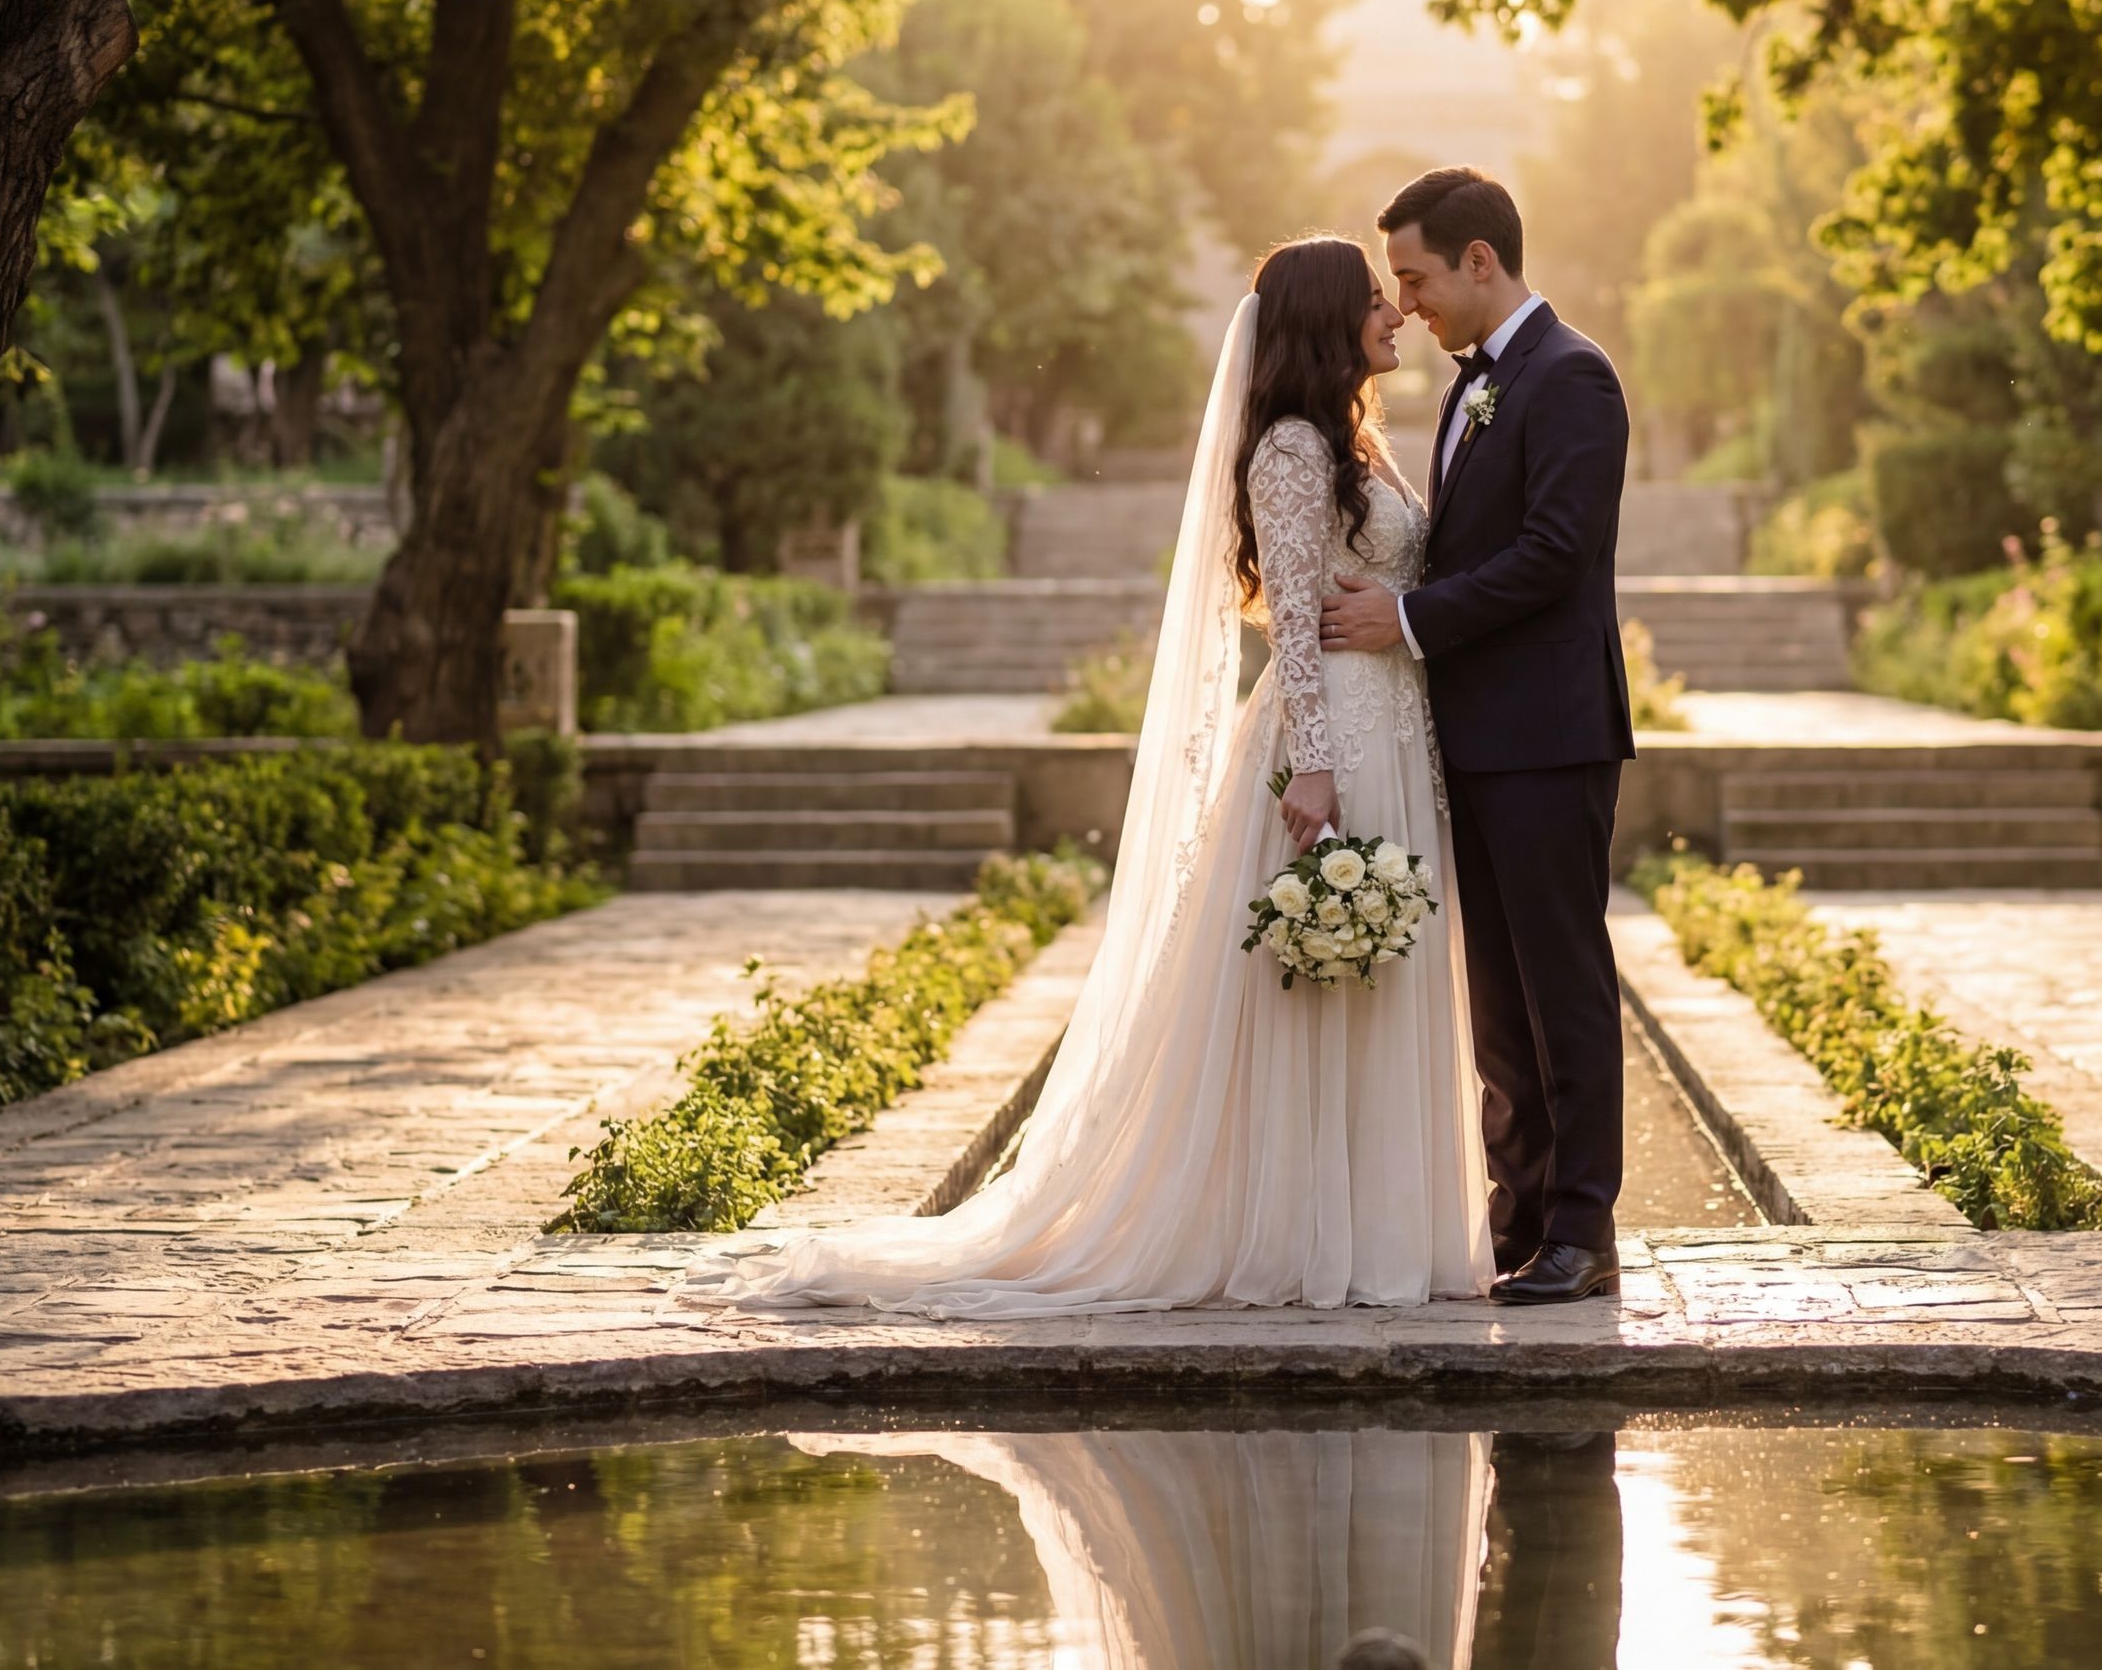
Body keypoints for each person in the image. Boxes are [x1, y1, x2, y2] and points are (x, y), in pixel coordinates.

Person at [682, 235, 1492, 1314]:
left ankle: (1386, 1232)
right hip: (1332, 743)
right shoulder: (1293, 450)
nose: (1394, 313)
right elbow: (1292, 621)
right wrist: (1318, 769)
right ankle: (1308, 1239)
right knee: (1317, 989)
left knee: (1382, 978)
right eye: (1373, 301)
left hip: (1394, 728)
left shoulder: (1357, 441)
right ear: (1325, 318)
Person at [1321, 168, 1634, 1307]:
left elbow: (1556, 555)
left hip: (1550, 734)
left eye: (1415, 277)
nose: (1406, 304)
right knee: (1500, 999)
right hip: (1478, 736)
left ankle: (1582, 1228)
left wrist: (1404, 620)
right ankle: (1520, 1215)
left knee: (1562, 984)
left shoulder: (1572, 379)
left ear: (1481, 263)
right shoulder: (1474, 387)